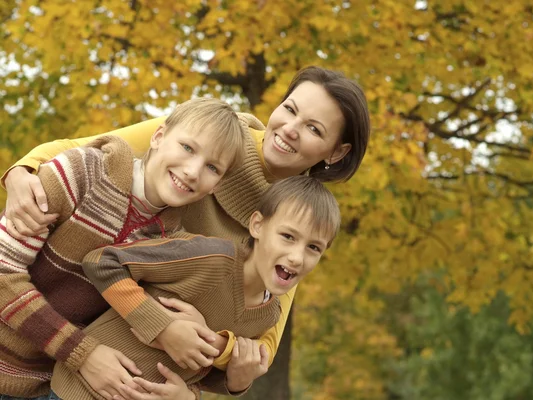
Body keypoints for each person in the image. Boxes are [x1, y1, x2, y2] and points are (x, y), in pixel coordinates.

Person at [1, 66, 371, 397]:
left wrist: (211, 357)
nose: (290, 129)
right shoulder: (215, 134)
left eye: (313, 129)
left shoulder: (295, 220)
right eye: (290, 109)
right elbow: (84, 150)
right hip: (56, 336)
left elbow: (261, 334)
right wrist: (22, 172)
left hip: (88, 357)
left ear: (335, 153)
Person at [0, 98, 246, 399]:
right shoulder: (82, 172)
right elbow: (2, 273)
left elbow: (146, 342)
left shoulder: (172, 246)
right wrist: (83, 354)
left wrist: (190, 395)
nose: (193, 171)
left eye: (212, 167)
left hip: (49, 387)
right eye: (188, 147)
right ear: (158, 136)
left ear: (217, 185)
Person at [49, 175, 340, 400]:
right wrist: (162, 327)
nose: (297, 257)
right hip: (78, 389)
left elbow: (197, 370)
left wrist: (222, 386)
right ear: (258, 226)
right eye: (288, 236)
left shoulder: (268, 317)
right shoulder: (210, 257)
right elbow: (102, 261)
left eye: (314, 247)